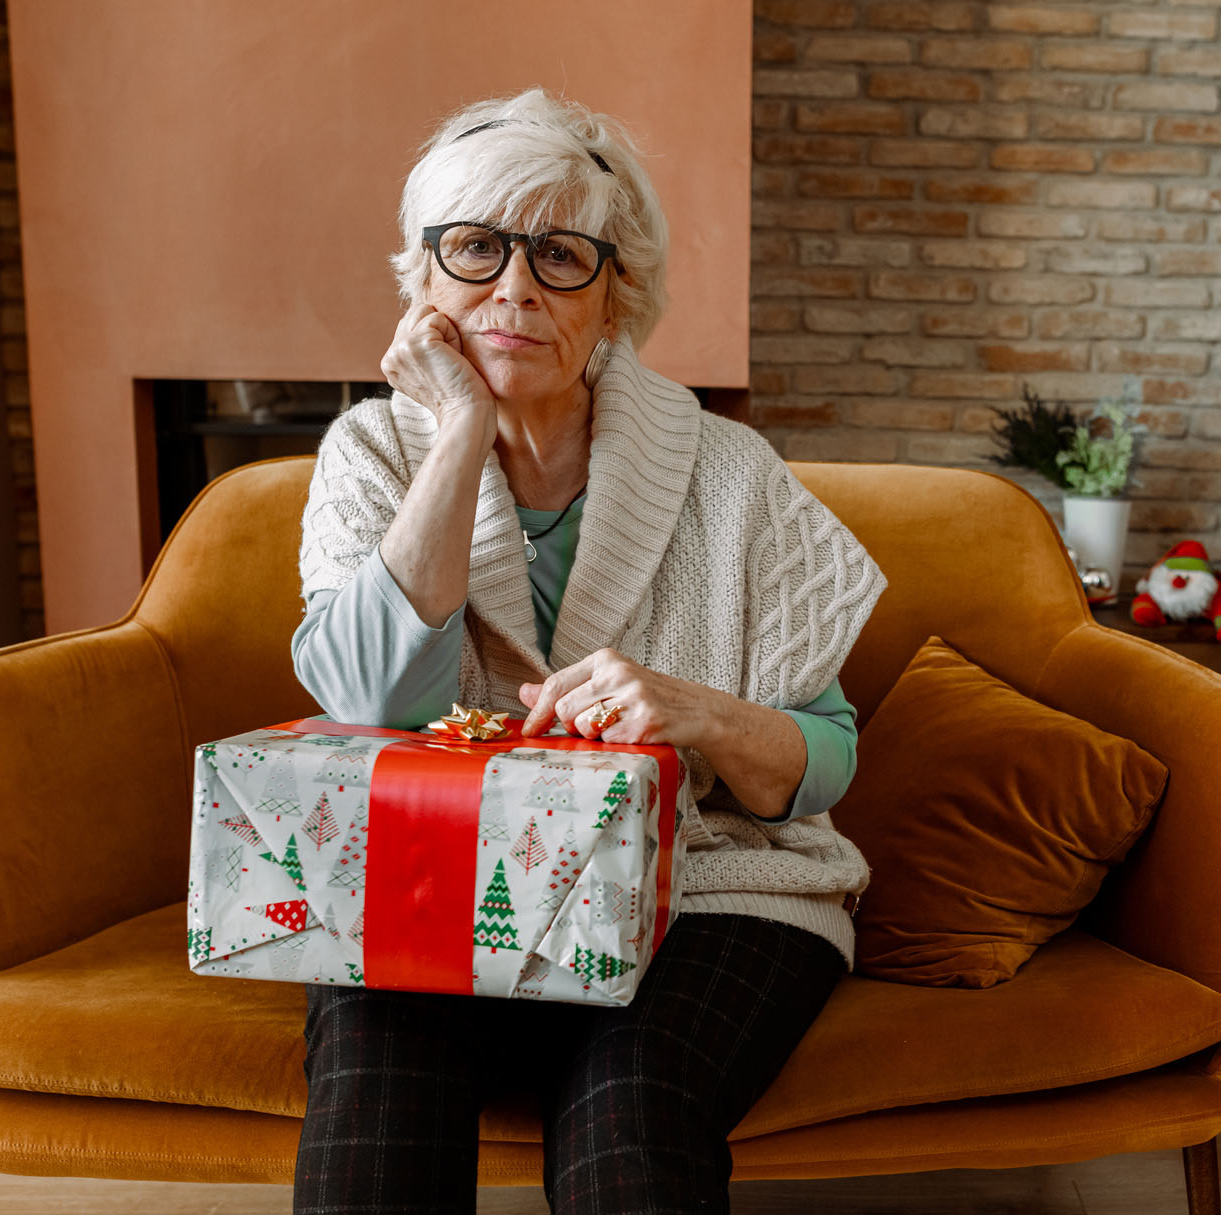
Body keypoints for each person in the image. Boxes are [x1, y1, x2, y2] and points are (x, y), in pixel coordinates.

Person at [290, 89, 886, 1214]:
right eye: (474, 248)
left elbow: (824, 762)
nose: (514, 287)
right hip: (434, 885)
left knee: (631, 1115)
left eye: (561, 255)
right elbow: (371, 698)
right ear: (423, 282)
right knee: (375, 1080)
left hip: (711, 888)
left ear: (617, 299)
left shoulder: (732, 473)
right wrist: (460, 431)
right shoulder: (370, 452)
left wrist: (699, 711)